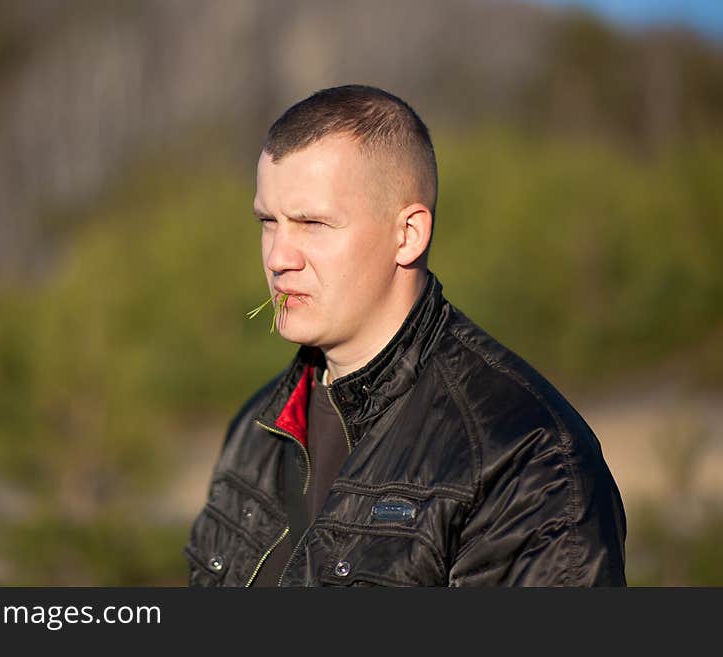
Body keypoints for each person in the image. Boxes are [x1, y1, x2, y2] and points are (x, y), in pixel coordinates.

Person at [184, 84, 626, 587]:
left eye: (312, 223)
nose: (279, 257)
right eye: (269, 221)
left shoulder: (523, 454)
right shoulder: (257, 430)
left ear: (409, 234)